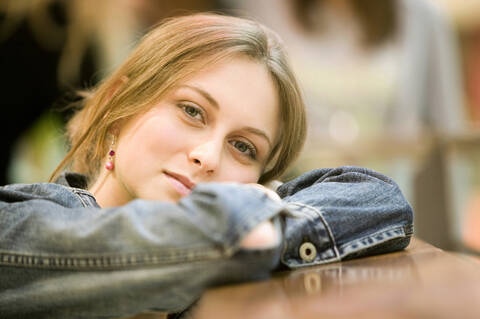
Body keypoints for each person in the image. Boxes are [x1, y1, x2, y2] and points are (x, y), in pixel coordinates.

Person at [0, 13, 413, 316]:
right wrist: (247, 228)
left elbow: (380, 199)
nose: (209, 157)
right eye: (192, 111)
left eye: (243, 147)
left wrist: (259, 225)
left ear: (261, 177)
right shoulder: (17, 221)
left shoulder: (247, 226)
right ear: (118, 107)